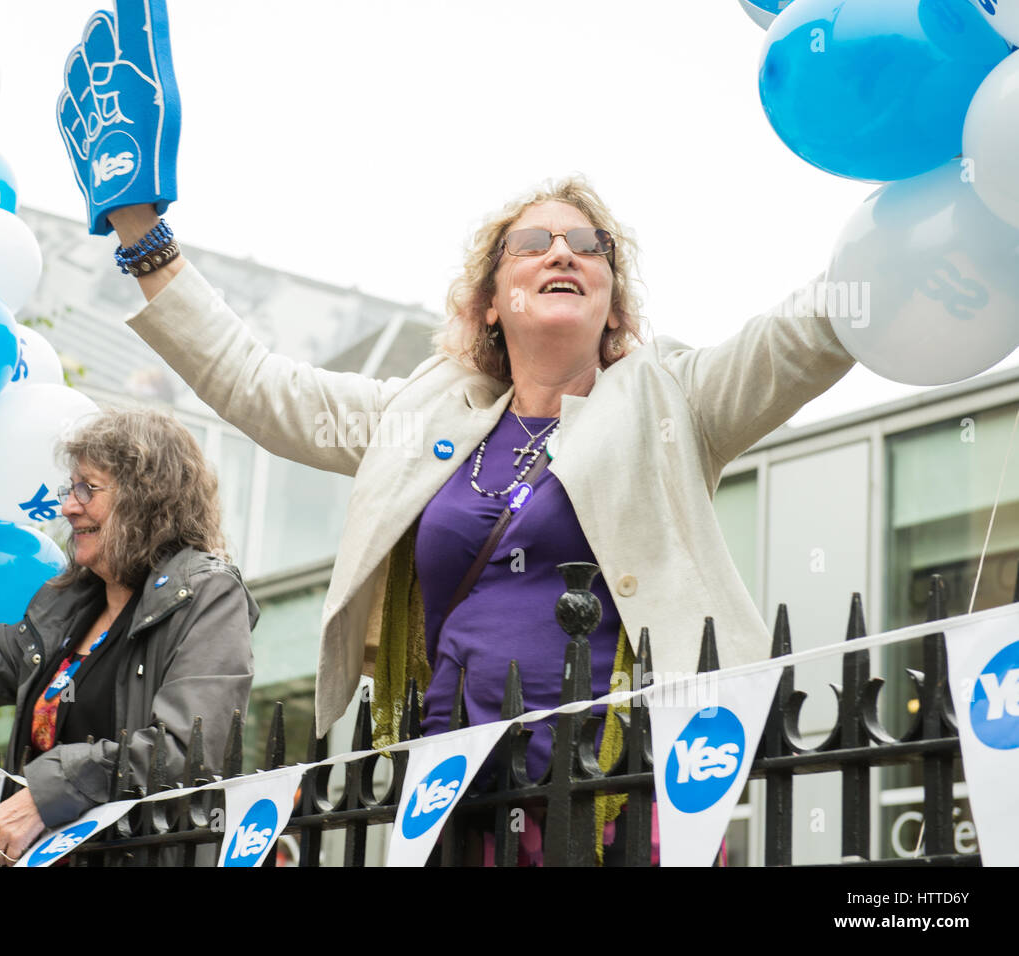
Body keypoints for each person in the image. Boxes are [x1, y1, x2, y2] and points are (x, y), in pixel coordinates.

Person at [57, 1, 856, 863]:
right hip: (447, 796)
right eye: (533, 244)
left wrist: (902, 221)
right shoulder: (426, 412)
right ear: (488, 301)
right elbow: (259, 386)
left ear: (613, 301)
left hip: (615, 798)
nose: (562, 252)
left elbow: (803, 336)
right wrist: (141, 228)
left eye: (587, 245)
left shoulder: (673, 403)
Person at [0, 407, 258, 866]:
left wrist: (44, 793)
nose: (68, 506)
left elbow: (185, 752)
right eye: (68, 490)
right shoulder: (63, 606)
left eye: (86, 489)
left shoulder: (208, 594)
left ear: (146, 497)